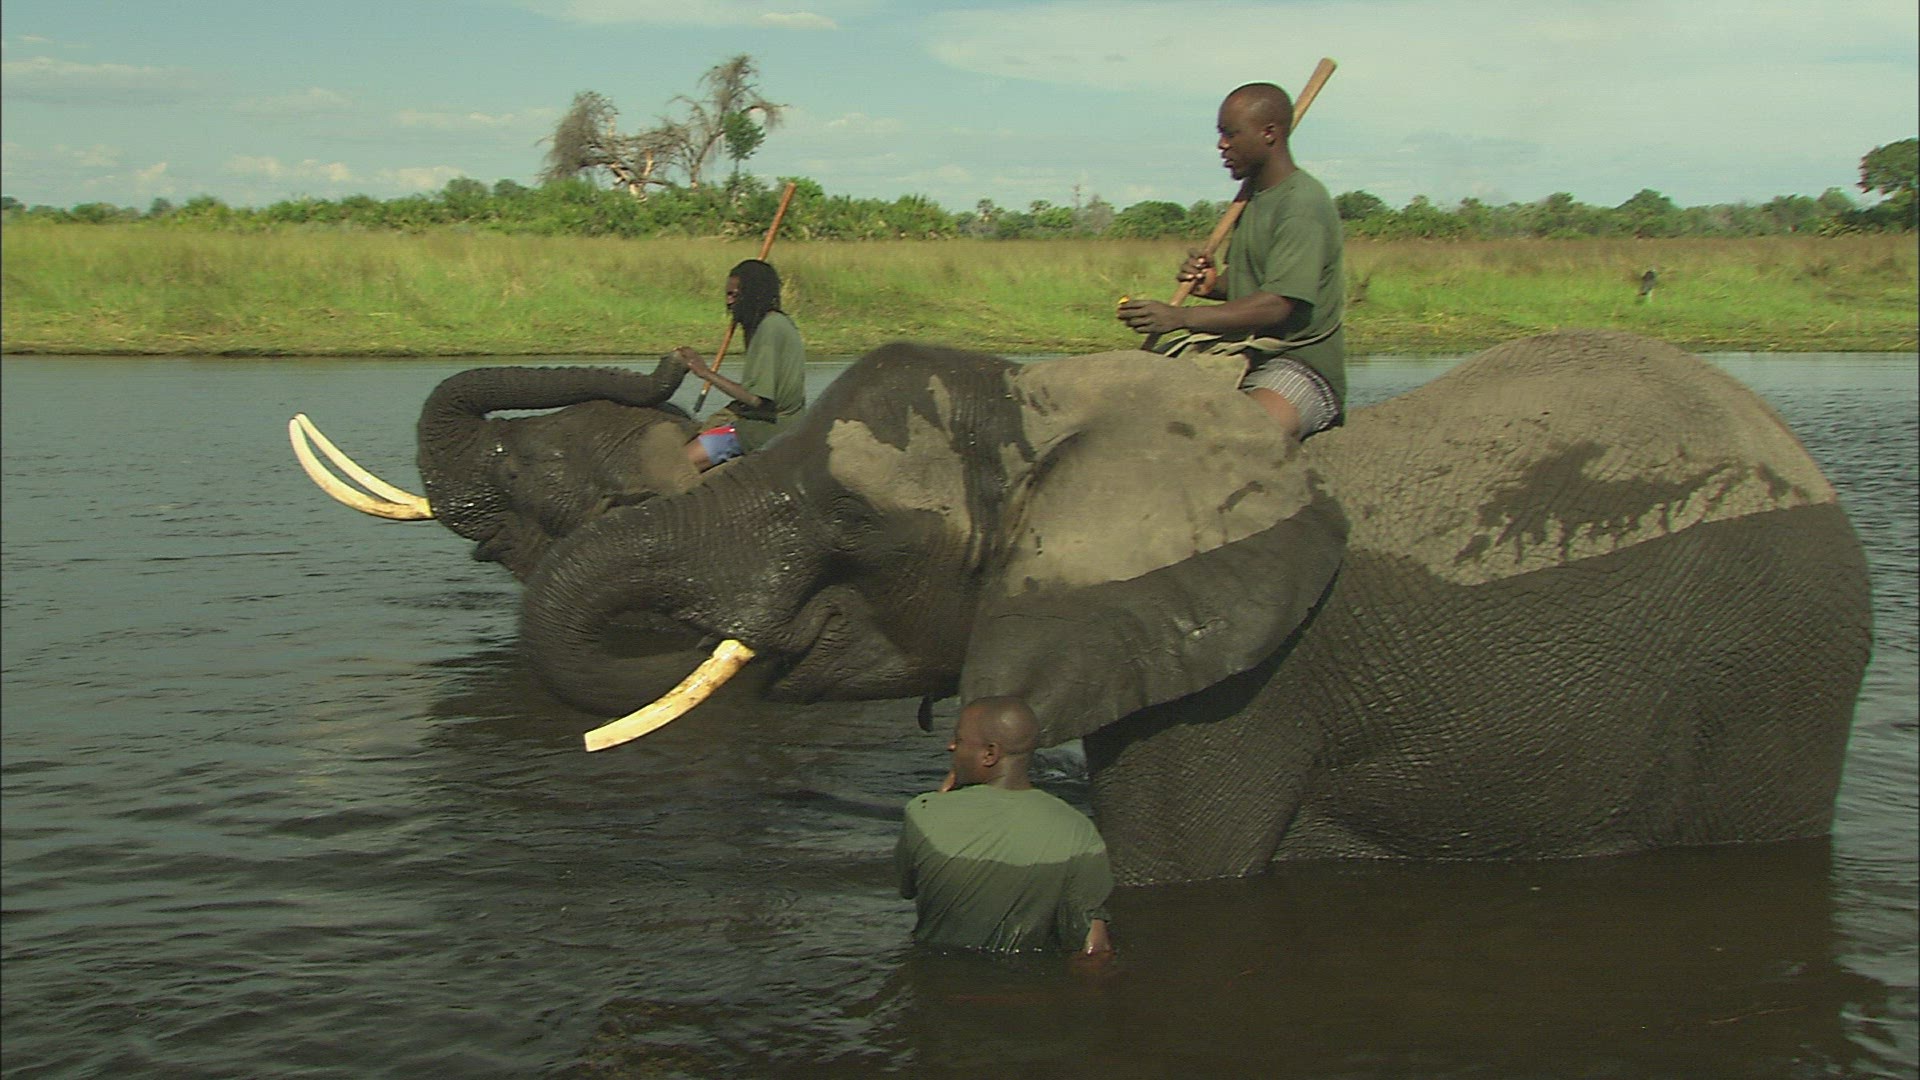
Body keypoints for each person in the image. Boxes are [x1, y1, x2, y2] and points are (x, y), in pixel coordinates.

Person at [1116, 81, 1347, 441]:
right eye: (1220, 133)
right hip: (1243, 352)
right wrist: (1212, 284)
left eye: (1231, 133)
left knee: (1237, 438)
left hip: (1299, 363)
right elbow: (1250, 283)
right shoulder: (1253, 198)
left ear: (1269, 133)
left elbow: (1276, 304)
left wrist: (1180, 317)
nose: (1221, 145)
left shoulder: (1302, 203)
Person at [895, 696, 1115, 959]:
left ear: (990, 754)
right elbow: (1093, 947)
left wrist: (939, 801)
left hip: (938, 973)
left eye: (959, 739)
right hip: (1027, 977)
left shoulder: (923, 812)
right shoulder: (1079, 831)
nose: (950, 746)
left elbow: (908, 889)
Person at [674, 258, 807, 471]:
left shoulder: (769, 329)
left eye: (735, 295)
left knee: (675, 466)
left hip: (765, 428)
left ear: (753, 294)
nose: (729, 302)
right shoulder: (775, 323)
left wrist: (705, 372)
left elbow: (756, 399)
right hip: (777, 422)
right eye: (727, 295)